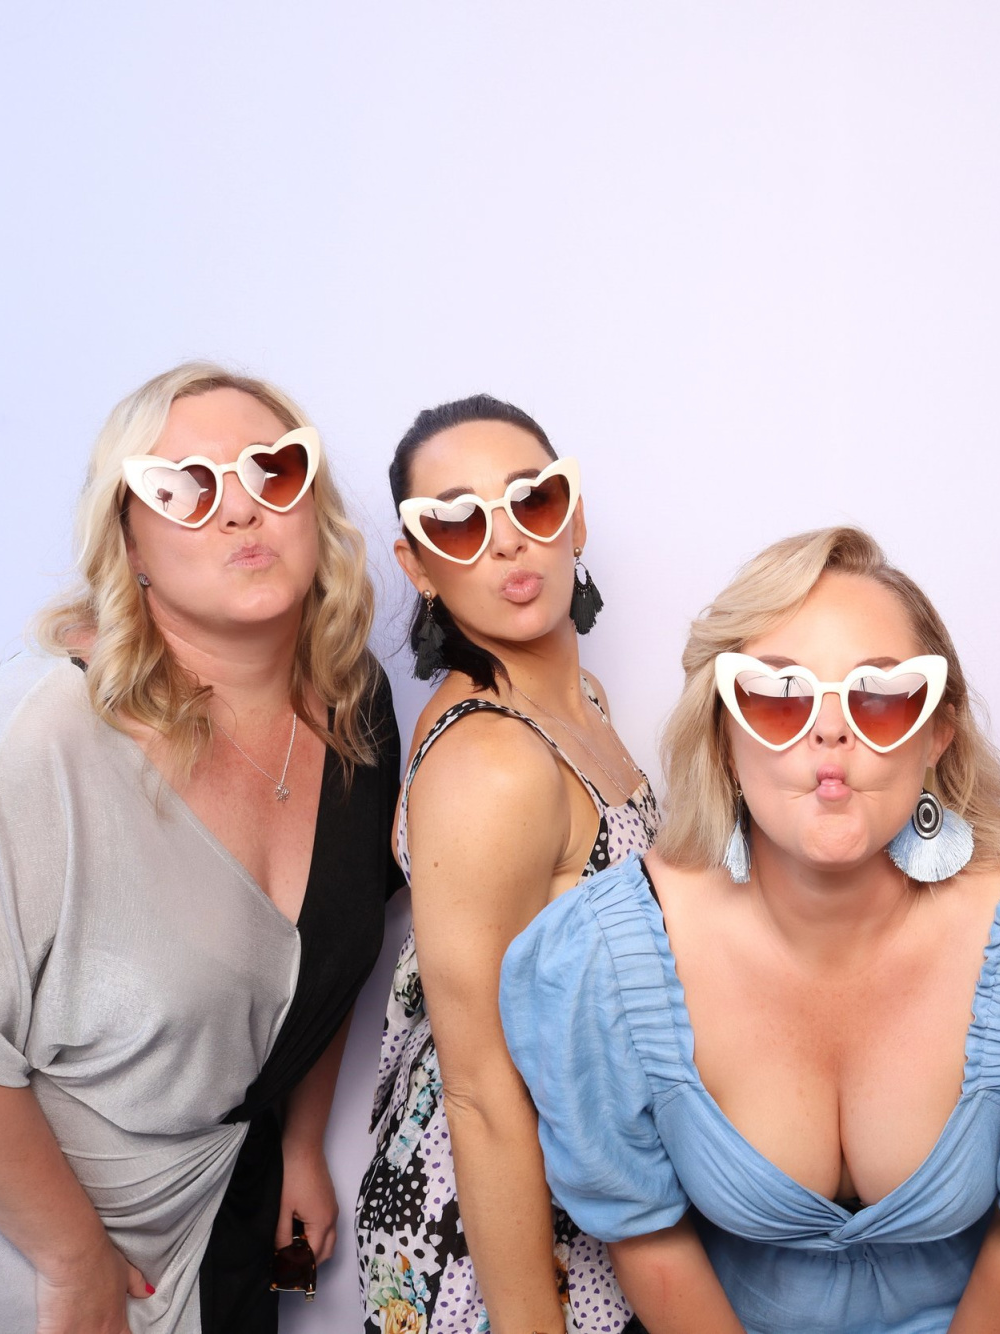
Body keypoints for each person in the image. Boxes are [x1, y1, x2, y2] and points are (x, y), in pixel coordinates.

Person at [499, 526, 1000, 1334]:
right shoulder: (606, 957)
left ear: (937, 733)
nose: (830, 732)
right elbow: (645, 1231)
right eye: (778, 695)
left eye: (882, 697)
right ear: (723, 730)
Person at [0, 362, 402, 1334]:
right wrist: (69, 1257)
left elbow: (335, 940)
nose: (239, 512)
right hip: (3, 1222)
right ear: (127, 536)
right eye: (183, 487)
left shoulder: (352, 701)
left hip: (209, 1191)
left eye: (273, 471)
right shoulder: (35, 735)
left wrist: (300, 1138)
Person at [356, 395, 657, 1334]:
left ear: (571, 516)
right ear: (417, 565)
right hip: (488, 1226)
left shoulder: (581, 702)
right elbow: (480, 1087)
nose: (506, 541)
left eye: (532, 501)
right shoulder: (491, 762)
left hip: (582, 1184)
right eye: (457, 519)